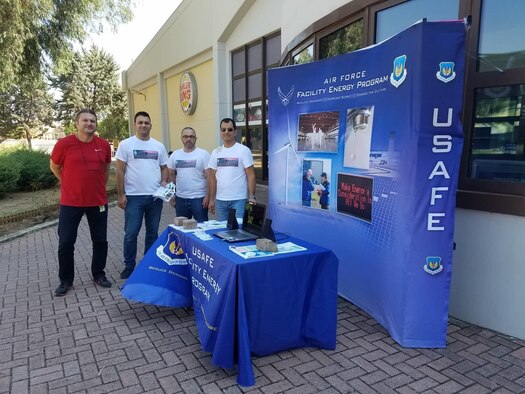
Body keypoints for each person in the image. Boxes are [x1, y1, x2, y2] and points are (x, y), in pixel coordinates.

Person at [50, 109, 112, 296]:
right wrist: (67, 183)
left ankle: (98, 274)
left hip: (98, 201)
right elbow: (54, 166)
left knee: (100, 240)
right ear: (77, 123)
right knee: (66, 242)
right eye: (85, 120)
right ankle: (66, 280)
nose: (89, 123)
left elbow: (106, 169)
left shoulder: (103, 145)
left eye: (92, 120)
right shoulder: (64, 144)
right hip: (71, 203)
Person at [115, 111, 169, 279]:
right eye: (140, 122)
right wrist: (121, 194)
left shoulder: (158, 146)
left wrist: (164, 182)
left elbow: (164, 167)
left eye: (146, 122)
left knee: (152, 233)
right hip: (133, 197)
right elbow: (119, 171)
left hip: (155, 197)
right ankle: (129, 266)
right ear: (135, 124)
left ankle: (148, 263)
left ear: (150, 125)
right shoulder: (126, 144)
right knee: (131, 233)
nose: (143, 125)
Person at [208, 117, 256, 221]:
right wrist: (211, 199)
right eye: (223, 129)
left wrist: (252, 196)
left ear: (235, 132)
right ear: (220, 132)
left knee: (239, 231)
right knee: (222, 232)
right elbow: (212, 177)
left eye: (230, 129)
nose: (226, 132)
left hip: (239, 200)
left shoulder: (243, 150)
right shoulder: (215, 152)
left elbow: (251, 175)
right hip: (220, 201)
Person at [167, 127, 210, 222]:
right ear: (181, 138)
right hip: (180, 199)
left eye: (191, 136)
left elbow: (210, 177)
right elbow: (171, 175)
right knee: (182, 229)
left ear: (196, 138)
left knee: (202, 229)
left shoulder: (204, 154)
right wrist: (170, 194)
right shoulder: (175, 155)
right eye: (185, 136)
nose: (188, 139)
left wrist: (208, 196)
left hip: (199, 198)